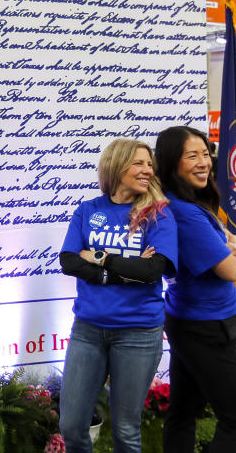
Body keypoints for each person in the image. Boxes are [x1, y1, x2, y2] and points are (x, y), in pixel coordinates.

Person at [59, 138, 178, 453]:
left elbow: (152, 271)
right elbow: (69, 260)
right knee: (71, 425)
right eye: (138, 163)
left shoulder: (158, 215)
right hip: (87, 329)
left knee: (125, 430)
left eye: (149, 164)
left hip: (138, 332)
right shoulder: (88, 210)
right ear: (116, 165)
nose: (147, 170)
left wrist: (100, 258)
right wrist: (121, 270)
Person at [154, 125, 236, 453]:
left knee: (183, 412)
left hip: (191, 320)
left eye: (205, 154)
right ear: (172, 163)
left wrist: (230, 245)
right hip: (205, 327)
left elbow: (225, 243)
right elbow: (230, 269)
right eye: (192, 156)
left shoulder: (186, 203)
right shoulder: (184, 213)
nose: (203, 162)